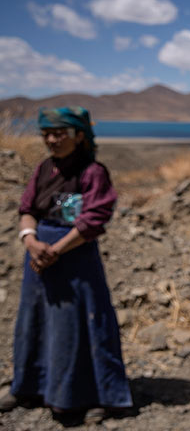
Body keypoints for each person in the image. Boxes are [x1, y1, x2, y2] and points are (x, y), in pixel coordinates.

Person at [0, 107, 132, 424]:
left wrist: (55, 250)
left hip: (76, 260)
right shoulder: (44, 168)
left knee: (82, 325)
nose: (52, 139)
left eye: (60, 133)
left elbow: (93, 219)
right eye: (47, 133)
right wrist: (31, 241)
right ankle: (30, 387)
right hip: (40, 259)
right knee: (36, 322)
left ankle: (95, 396)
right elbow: (28, 208)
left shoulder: (93, 173)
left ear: (78, 136)